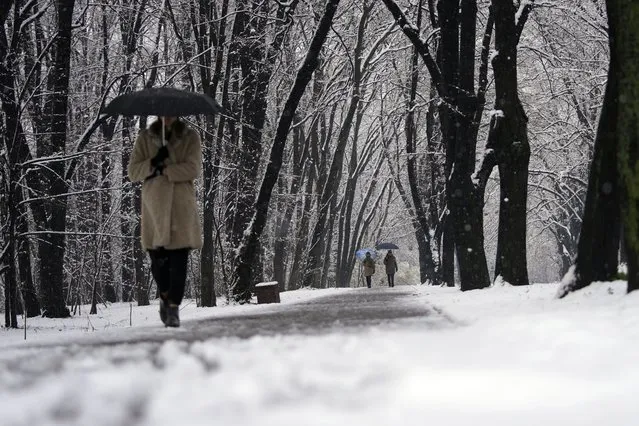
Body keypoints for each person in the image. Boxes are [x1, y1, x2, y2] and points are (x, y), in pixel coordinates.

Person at [128, 116, 202, 327]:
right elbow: (133, 172)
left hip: (181, 206)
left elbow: (193, 168)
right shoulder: (145, 138)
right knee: (159, 263)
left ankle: (173, 308)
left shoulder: (190, 137)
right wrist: (152, 162)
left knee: (179, 262)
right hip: (155, 207)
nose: (168, 116)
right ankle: (164, 295)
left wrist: (166, 168)